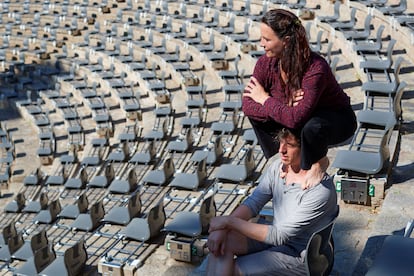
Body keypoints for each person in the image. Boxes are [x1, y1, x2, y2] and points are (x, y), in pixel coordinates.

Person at [242, 9, 357, 187]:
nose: (261, 44)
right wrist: (283, 106)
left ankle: (315, 164)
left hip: (335, 119)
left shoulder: (315, 68)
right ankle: (281, 157)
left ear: (286, 41)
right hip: (300, 115)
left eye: (267, 39)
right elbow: (247, 105)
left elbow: (295, 119)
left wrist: (265, 99)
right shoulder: (265, 63)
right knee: (260, 116)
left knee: (311, 126)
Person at [206, 128, 338, 275]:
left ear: (307, 149)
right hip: (276, 238)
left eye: (290, 145)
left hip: (299, 256)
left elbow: (279, 235)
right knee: (220, 243)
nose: (281, 150)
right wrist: (222, 231)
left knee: (236, 269)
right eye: (281, 142)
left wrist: (228, 222)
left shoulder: (320, 190)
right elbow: (253, 202)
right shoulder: (278, 168)